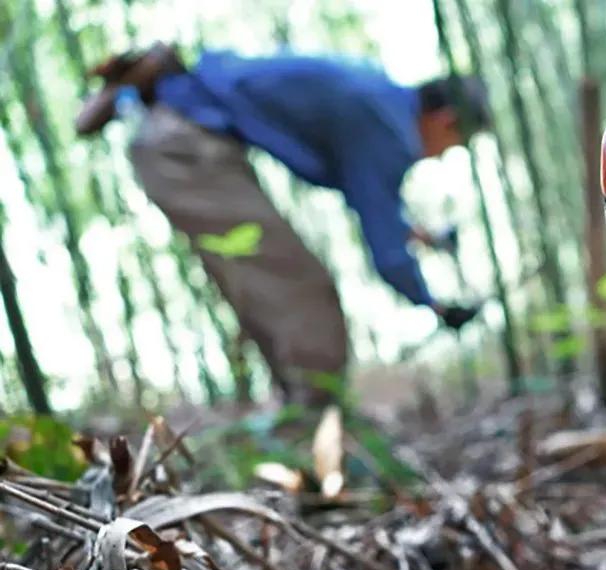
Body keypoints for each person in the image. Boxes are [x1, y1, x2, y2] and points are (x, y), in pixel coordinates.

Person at [76, 43, 484, 404]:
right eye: (454, 145)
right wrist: (436, 306)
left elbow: (371, 201)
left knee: (273, 282)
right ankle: (318, 422)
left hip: (182, 137)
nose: (441, 155)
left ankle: (304, 416)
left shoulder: (378, 96)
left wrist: (420, 236)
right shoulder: (388, 130)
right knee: (300, 288)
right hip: (184, 147)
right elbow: (387, 250)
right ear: (446, 120)